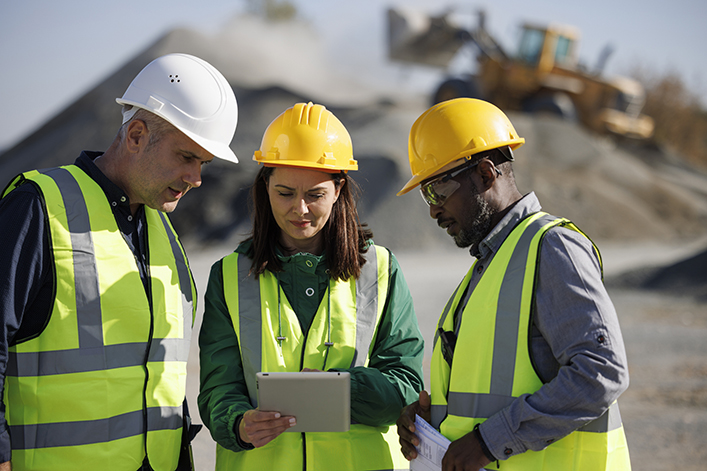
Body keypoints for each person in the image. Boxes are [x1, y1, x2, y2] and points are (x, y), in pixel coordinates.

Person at [0, 53, 239, 471]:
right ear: (136, 136)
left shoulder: (163, 230)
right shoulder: (39, 207)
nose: (196, 178)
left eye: (204, 163)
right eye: (186, 157)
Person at [395, 98, 631, 470]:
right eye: (426, 195)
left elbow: (600, 372)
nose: (433, 210)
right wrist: (429, 418)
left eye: (437, 190)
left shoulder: (552, 248)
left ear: (486, 174)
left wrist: (489, 442)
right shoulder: (491, 264)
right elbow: (488, 391)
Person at [198, 101, 425, 470]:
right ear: (264, 187)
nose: (299, 209)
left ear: (338, 190)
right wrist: (238, 424)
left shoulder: (380, 270)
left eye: (315, 195)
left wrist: (340, 389)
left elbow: (405, 386)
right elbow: (218, 387)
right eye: (285, 193)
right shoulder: (228, 276)